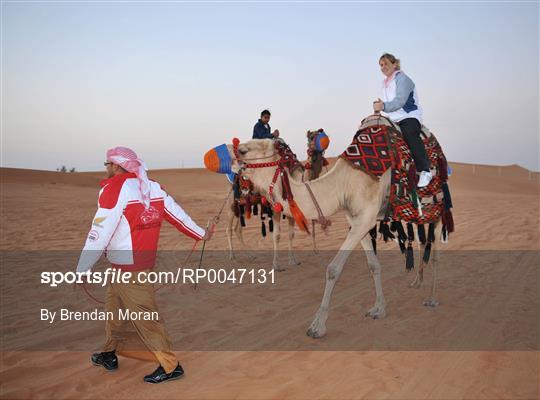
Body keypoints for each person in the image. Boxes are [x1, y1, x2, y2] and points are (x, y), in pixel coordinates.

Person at [76, 146, 215, 384]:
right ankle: (109, 353)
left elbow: (99, 231)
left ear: (117, 165)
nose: (107, 168)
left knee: (146, 319)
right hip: (127, 268)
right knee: (114, 313)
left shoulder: (115, 188)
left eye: (107, 164)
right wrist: (202, 234)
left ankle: (171, 366)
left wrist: (83, 268)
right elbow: (178, 216)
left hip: (131, 271)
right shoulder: (153, 187)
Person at [373, 53, 432, 187]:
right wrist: (379, 108)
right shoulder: (384, 83)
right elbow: (386, 103)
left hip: (408, 116)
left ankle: (425, 170)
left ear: (395, 64)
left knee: (410, 133)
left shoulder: (403, 79)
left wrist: (383, 106)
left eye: (386, 64)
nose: (383, 67)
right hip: (392, 118)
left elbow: (399, 101)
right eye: (381, 65)